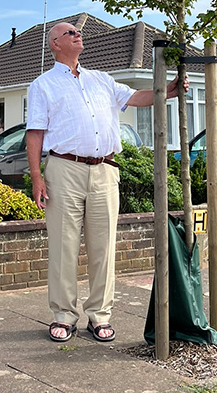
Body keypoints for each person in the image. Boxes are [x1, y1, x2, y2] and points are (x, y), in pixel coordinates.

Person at [26, 21, 186, 344]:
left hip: (105, 170)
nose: (77, 34)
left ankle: (99, 316)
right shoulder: (42, 86)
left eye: (78, 31)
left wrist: (165, 92)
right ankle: (64, 316)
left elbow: (136, 97)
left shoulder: (101, 80)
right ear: (55, 44)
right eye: (70, 33)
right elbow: (35, 133)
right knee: (63, 246)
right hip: (63, 169)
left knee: (104, 247)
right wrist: (36, 177)